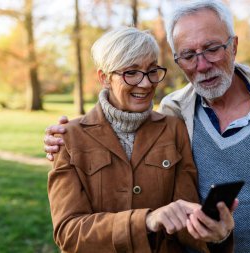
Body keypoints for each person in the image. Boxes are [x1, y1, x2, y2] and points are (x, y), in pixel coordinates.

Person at [44, 1, 250, 252]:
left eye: (211, 49)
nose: (202, 64)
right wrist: (65, 137)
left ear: (233, 45)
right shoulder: (175, 111)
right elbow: (68, 232)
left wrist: (219, 238)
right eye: (188, 54)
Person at [47, 26, 236, 253]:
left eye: (152, 70)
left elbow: (185, 221)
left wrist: (215, 235)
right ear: (104, 78)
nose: (146, 83)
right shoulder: (69, 138)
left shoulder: (174, 130)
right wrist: (145, 220)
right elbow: (68, 233)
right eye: (131, 72)